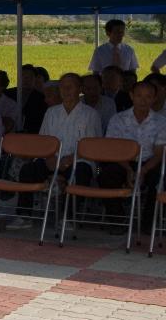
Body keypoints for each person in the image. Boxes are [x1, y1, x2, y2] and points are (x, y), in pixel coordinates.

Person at [9, 72, 103, 229]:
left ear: (80, 89)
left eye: (70, 87)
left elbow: (92, 146)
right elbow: (43, 141)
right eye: (62, 87)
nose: (66, 90)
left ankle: (68, 217)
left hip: (78, 160)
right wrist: (49, 158)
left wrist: (67, 160)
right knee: (28, 170)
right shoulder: (51, 112)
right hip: (51, 159)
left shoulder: (90, 114)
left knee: (81, 173)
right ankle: (24, 215)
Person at [103, 81, 166, 229]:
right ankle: (117, 219)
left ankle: (148, 223)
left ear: (154, 98)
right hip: (123, 161)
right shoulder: (118, 119)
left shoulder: (163, 122)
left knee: (159, 178)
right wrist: (129, 169)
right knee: (105, 174)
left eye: (148, 96)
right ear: (131, 96)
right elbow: (113, 149)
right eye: (139, 95)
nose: (143, 100)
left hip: (150, 162)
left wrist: (143, 170)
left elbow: (160, 153)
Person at [10, 65, 48, 134]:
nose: (26, 79)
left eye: (30, 77)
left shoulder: (42, 99)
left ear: (35, 79)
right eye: (23, 76)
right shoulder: (8, 94)